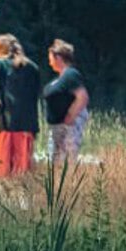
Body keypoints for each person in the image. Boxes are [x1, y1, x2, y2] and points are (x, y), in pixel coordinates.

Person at [0, 34, 42, 177]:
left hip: (6, 125)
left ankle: (6, 199)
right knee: (23, 175)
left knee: (4, 173)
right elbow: (35, 96)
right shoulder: (33, 67)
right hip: (28, 127)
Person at [43, 39, 91, 167]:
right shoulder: (60, 78)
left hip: (67, 128)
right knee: (53, 164)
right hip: (56, 128)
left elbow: (82, 97)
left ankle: (67, 185)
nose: (49, 61)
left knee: (66, 163)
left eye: (50, 57)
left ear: (58, 57)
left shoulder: (71, 74)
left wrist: (70, 117)